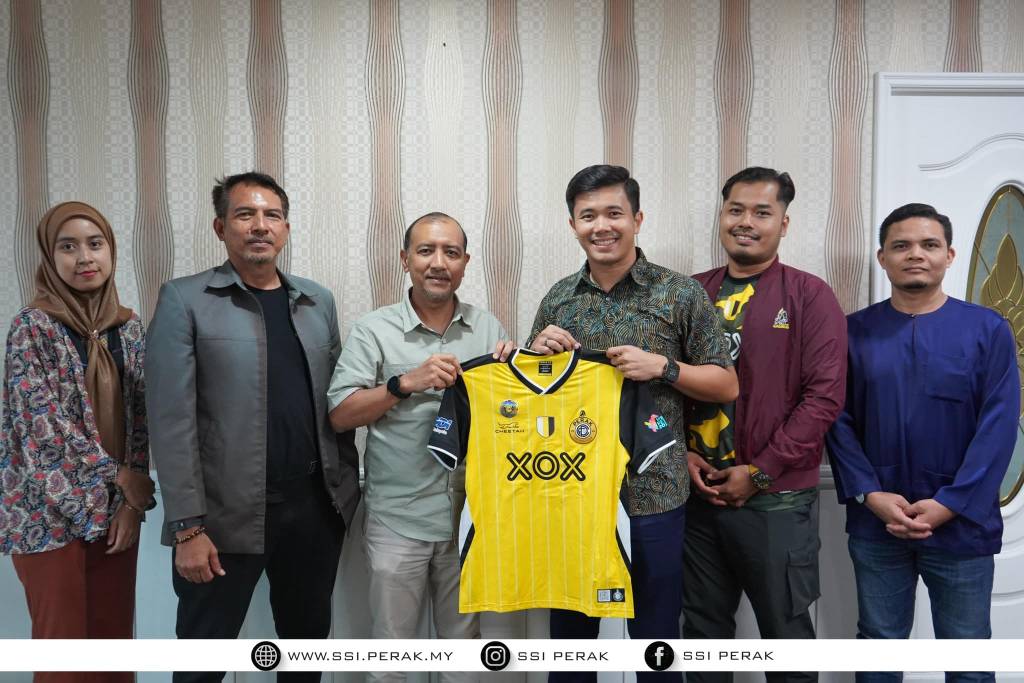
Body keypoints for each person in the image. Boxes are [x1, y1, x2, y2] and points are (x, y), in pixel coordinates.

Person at [146, 172, 360, 683]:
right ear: (221, 227)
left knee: (305, 654)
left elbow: (338, 402)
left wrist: (342, 492)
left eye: (272, 215)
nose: (260, 226)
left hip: (313, 510)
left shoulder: (316, 301)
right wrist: (188, 528)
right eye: (245, 214)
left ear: (285, 228)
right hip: (223, 518)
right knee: (202, 662)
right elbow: (171, 422)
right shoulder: (185, 300)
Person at [528, 164, 737, 683]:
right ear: (573, 225)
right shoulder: (558, 298)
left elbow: (725, 384)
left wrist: (663, 367)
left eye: (614, 213)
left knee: (655, 640)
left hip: (654, 493)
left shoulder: (679, 293)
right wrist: (537, 355)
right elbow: (534, 401)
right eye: (588, 216)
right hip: (573, 494)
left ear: (637, 219)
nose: (602, 226)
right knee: (570, 645)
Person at [826, 203, 1018, 683]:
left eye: (929, 244)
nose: (916, 254)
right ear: (882, 257)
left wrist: (951, 503)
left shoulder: (988, 329)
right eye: (902, 245)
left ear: (949, 255)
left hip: (962, 525)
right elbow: (836, 419)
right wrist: (870, 495)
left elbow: (999, 427)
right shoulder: (851, 332)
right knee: (878, 647)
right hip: (878, 525)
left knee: (968, 657)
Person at [328, 212, 511, 683]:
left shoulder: (487, 328)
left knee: (463, 659)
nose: (438, 262)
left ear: (465, 262)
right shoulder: (374, 329)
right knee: (392, 658)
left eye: (451, 252)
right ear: (405, 259)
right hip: (398, 517)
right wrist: (403, 383)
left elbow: (509, 414)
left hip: (469, 517)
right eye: (426, 250)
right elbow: (340, 414)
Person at [682, 167, 846, 683]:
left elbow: (824, 399)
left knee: (786, 640)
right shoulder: (690, 292)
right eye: (736, 210)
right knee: (702, 639)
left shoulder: (809, 295)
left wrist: (760, 471)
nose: (746, 222)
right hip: (698, 500)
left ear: (784, 223)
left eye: (762, 212)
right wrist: (681, 453)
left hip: (776, 502)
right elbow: (663, 390)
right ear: (721, 216)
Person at [0, 201, 155, 682]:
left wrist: (131, 503)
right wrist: (120, 478)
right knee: (63, 654)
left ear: (111, 251)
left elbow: (141, 420)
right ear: (50, 257)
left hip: (116, 510)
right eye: (68, 247)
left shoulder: (128, 327)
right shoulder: (32, 327)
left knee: (113, 647)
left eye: (95, 244)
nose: (84, 257)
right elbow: (41, 427)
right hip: (46, 514)